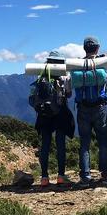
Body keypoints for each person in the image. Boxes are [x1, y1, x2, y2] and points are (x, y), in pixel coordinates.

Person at [70, 36, 107, 188]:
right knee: (103, 141)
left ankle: (85, 177)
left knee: (84, 143)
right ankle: (106, 175)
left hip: (83, 108)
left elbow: (70, 86)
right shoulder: (103, 64)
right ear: (97, 48)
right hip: (101, 107)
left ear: (84, 48)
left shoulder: (78, 65)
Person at [30, 51, 75, 187]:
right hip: (60, 114)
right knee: (60, 144)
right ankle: (61, 176)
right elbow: (68, 94)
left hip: (44, 115)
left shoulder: (40, 75)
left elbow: (33, 97)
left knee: (45, 145)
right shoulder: (64, 76)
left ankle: (44, 177)